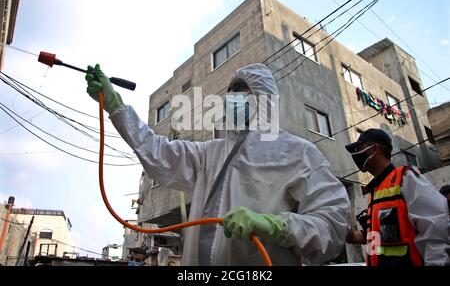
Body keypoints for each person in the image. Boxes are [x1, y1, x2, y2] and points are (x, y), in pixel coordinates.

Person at [85, 63, 351, 265]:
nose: (231, 97)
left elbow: (332, 225)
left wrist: (277, 225)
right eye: (230, 91)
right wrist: (116, 106)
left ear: (263, 98)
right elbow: (159, 152)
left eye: (241, 90)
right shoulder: (210, 152)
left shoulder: (298, 153)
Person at [345, 128, 450, 266]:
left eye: (359, 148)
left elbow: (435, 231)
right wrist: (346, 231)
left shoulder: (406, 178)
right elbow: (376, 236)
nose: (356, 154)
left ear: (374, 149)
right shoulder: (376, 192)